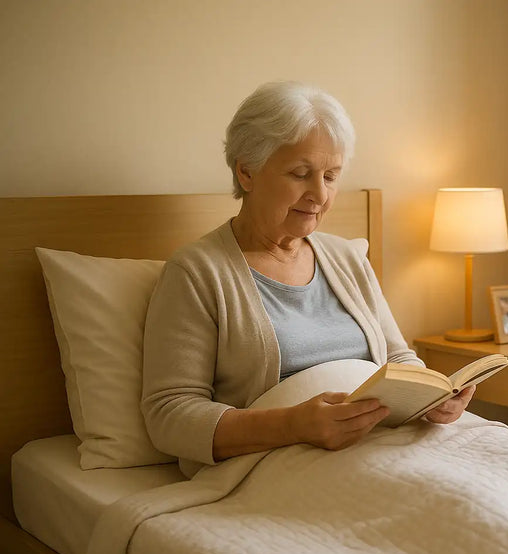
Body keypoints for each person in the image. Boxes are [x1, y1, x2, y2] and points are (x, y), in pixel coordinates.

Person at [141, 81, 475, 477]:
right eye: (300, 174)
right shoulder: (197, 272)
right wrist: (293, 425)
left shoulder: (348, 257)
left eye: (331, 176)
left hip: (388, 445)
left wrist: (432, 396)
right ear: (246, 172)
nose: (319, 194)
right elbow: (169, 416)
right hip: (282, 464)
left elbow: (397, 358)